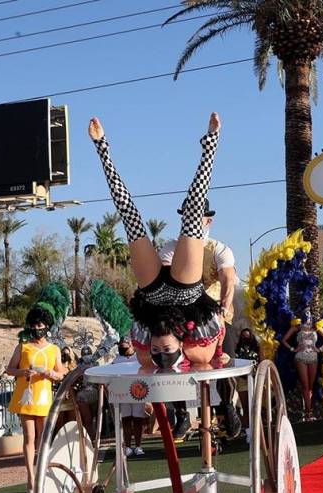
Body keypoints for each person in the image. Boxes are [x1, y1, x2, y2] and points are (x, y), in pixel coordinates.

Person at [88, 112, 223, 371]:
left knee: (129, 217)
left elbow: (149, 355)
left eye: (157, 350)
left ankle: (101, 147)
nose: (160, 349)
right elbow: (211, 341)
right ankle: (211, 142)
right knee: (194, 210)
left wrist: (101, 145)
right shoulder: (197, 346)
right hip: (186, 295)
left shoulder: (142, 347)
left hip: (153, 293)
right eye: (166, 349)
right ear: (181, 346)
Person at [159, 199, 240, 438]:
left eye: (197, 217)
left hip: (216, 316)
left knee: (226, 360)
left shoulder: (219, 249)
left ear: (208, 221)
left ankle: (227, 406)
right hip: (183, 319)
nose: (192, 221)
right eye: (187, 217)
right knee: (169, 360)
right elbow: (164, 273)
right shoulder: (171, 248)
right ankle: (182, 414)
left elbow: (227, 278)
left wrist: (225, 303)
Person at [6, 307, 66, 493]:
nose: (37, 328)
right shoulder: (23, 347)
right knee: (29, 437)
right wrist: (23, 372)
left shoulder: (54, 349)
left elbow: (62, 372)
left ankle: (42, 474)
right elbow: (10, 369)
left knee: (43, 438)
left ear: (47, 326)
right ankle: (31, 478)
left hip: (44, 398)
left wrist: (52, 374)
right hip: (26, 397)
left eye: (40, 325)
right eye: (33, 325)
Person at [281, 309, 323, 421]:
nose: (307, 317)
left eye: (309, 315)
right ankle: (308, 412)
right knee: (305, 385)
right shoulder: (297, 327)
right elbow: (284, 340)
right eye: (305, 315)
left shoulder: (316, 327)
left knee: (311, 387)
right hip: (300, 357)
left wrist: (320, 349)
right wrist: (293, 348)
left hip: (313, 357)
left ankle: (309, 411)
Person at [112, 338, 152, 456]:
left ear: (131, 345)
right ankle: (128, 447)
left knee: (138, 419)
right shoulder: (116, 360)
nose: (122, 347)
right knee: (126, 420)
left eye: (125, 345)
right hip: (122, 394)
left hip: (138, 391)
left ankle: (138, 446)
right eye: (121, 345)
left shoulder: (139, 358)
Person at [235, 328, 261, 430]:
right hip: (242, 379)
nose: (245, 338)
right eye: (243, 336)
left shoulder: (257, 348)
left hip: (253, 377)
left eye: (247, 336)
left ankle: (257, 425)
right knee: (245, 405)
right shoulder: (238, 349)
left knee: (255, 403)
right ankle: (247, 426)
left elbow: (261, 361)